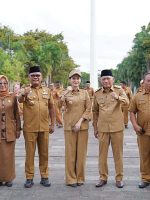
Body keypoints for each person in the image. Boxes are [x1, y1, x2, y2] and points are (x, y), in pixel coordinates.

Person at [18, 66, 55, 188]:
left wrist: (53, 123)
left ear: (41, 77)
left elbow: (51, 107)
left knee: (44, 154)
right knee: (29, 154)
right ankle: (29, 178)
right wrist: (24, 93)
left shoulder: (47, 91)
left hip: (44, 127)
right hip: (30, 128)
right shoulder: (25, 89)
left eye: (37, 75)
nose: (35, 77)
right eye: (33, 75)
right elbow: (19, 99)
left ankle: (44, 177)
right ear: (29, 77)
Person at [92, 69, 129, 188]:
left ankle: (119, 178)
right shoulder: (97, 93)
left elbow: (127, 103)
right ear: (100, 80)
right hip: (102, 128)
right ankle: (103, 177)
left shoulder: (119, 90)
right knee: (102, 155)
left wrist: (117, 97)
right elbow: (95, 111)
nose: (106, 81)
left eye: (108, 78)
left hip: (117, 128)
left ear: (112, 80)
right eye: (103, 79)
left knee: (118, 155)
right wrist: (95, 128)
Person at [60, 69, 91, 187]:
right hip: (69, 127)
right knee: (70, 154)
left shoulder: (85, 93)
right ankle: (71, 179)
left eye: (77, 78)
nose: (75, 80)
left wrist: (80, 122)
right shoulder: (65, 93)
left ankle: (80, 178)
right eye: (73, 78)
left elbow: (88, 109)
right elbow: (58, 105)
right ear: (70, 80)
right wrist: (64, 94)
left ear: (80, 80)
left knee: (81, 154)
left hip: (82, 127)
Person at [129, 72, 150, 188]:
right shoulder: (137, 96)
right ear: (144, 82)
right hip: (143, 132)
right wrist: (135, 126)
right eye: (149, 80)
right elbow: (132, 111)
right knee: (144, 156)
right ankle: (145, 178)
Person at [0, 75, 21, 187]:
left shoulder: (12, 97)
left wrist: (18, 129)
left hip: (9, 132)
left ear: (8, 85)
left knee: (9, 156)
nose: (2, 85)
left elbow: (17, 114)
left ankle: (9, 178)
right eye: (0, 83)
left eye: (5, 83)